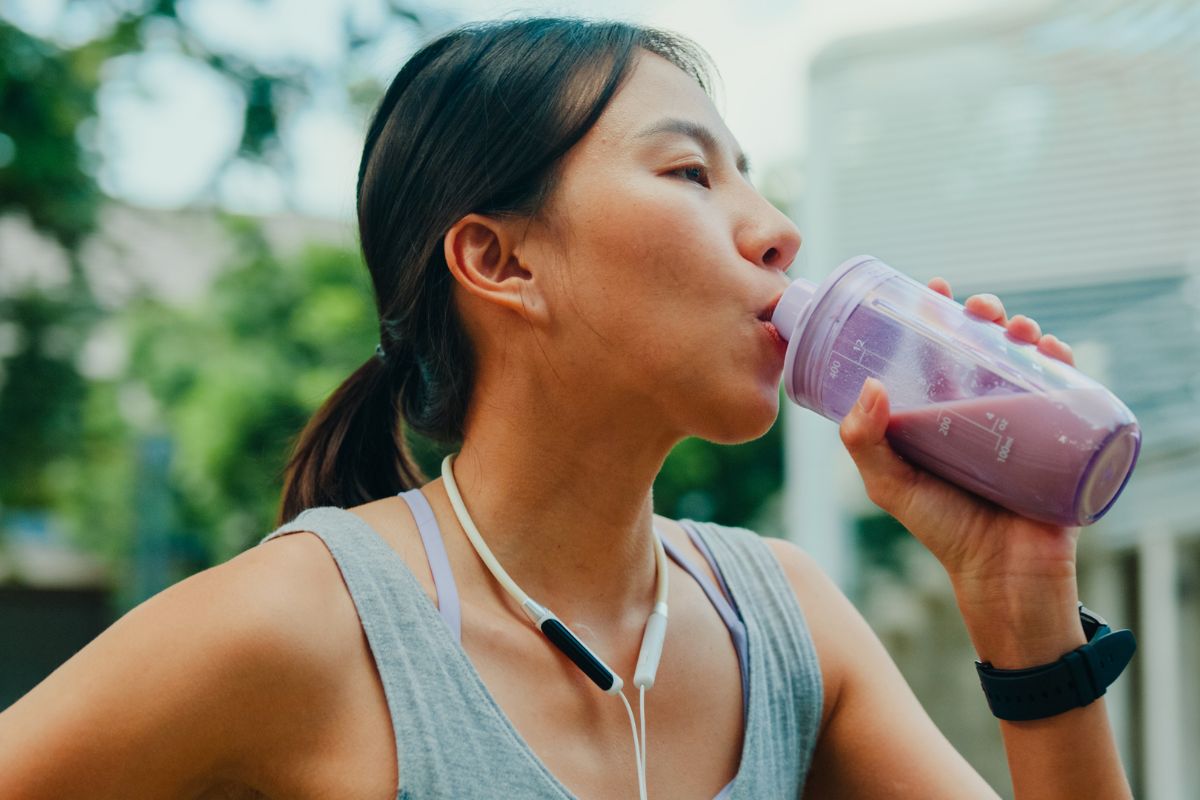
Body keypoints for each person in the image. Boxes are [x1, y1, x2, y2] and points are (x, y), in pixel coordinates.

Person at [0, 16, 1133, 800]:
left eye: (749, 174)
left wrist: (1021, 596)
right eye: (691, 173)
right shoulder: (302, 623)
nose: (777, 228)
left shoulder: (785, 623)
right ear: (501, 261)